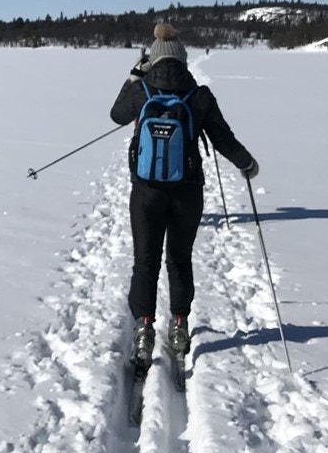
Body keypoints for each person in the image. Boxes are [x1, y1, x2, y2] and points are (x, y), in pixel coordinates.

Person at [110, 22, 258, 367]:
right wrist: (246, 163)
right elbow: (224, 139)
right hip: (187, 193)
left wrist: (134, 78)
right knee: (179, 260)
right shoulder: (200, 95)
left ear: (154, 60)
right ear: (183, 60)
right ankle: (179, 325)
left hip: (145, 192)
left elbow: (117, 115)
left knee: (145, 262)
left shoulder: (142, 89)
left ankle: (144, 328)